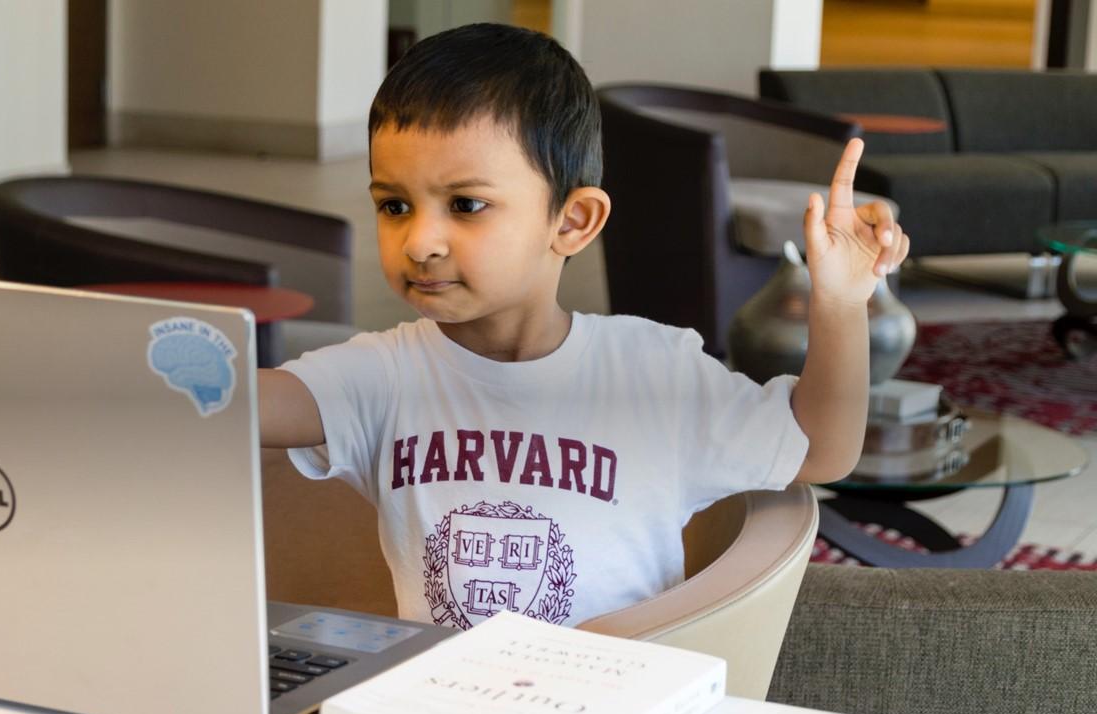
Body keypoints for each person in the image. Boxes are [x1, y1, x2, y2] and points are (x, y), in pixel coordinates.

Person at [258, 23, 909, 629]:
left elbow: (821, 447)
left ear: (572, 222)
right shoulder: (378, 376)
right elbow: (234, 404)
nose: (421, 240)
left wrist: (843, 303)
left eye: (466, 205)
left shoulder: (653, 372)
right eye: (395, 204)